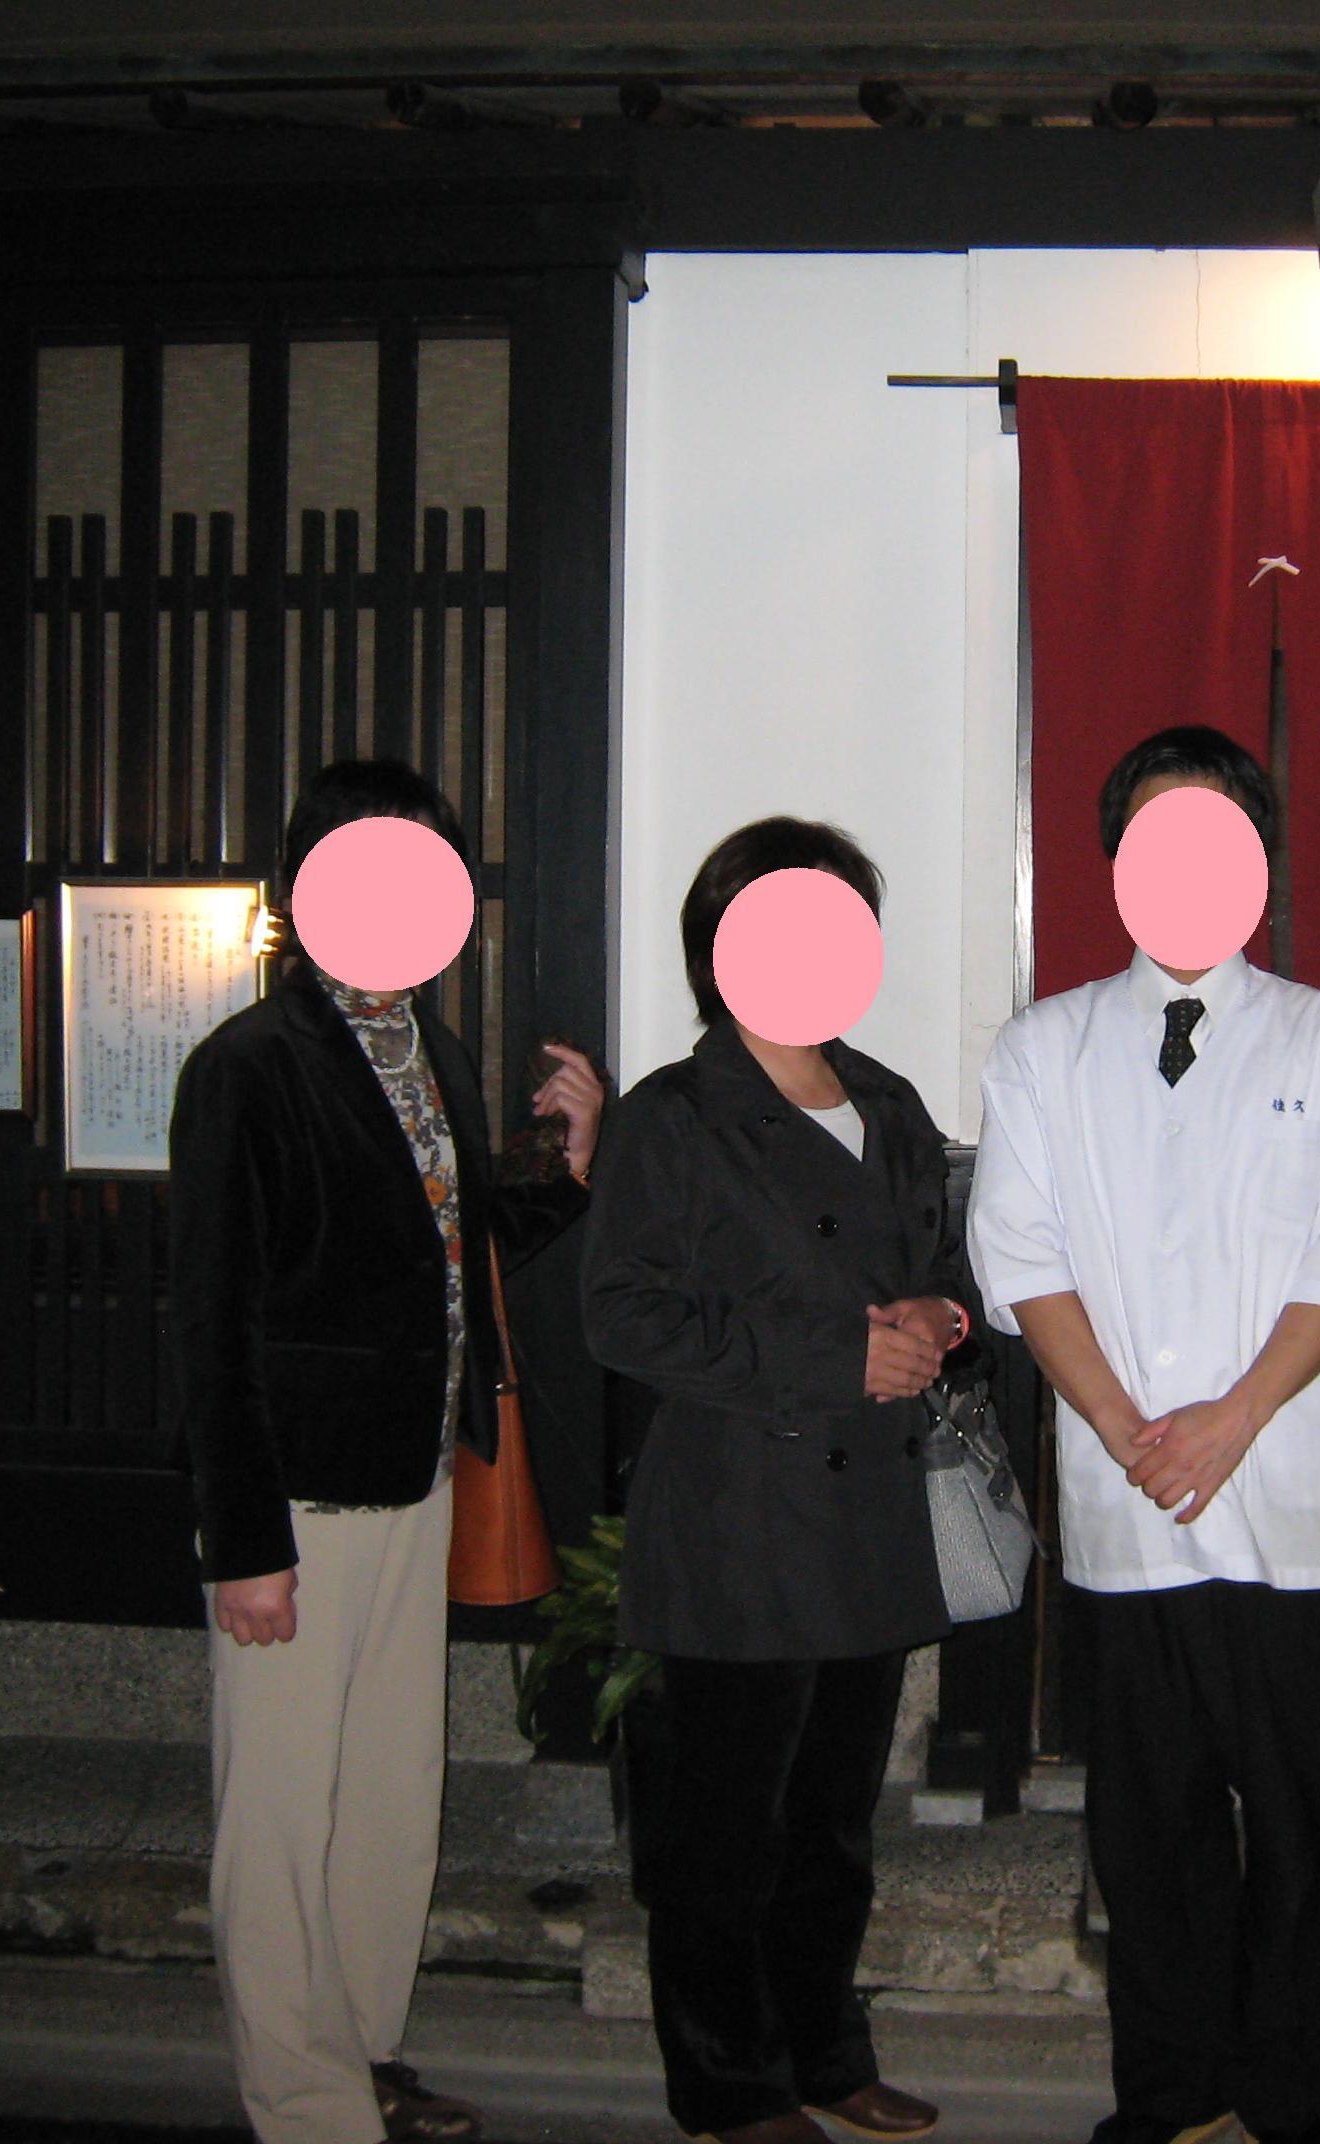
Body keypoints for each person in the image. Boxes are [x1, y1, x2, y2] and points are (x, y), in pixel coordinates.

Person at [969, 726, 1320, 2144]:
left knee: (1293, 1820)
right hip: (1128, 1503)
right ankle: (1169, 2095)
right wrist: (1126, 1427)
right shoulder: (1043, 1047)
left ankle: (1288, 2092)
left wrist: (1230, 1421)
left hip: (1290, 1504)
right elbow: (1020, 1251)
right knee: (1148, 1830)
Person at [171, 758, 606, 2144]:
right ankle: (303, 2101)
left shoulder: (433, 1051)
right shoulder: (246, 1067)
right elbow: (212, 1328)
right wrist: (244, 1545)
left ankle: (363, 2052)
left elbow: (455, 1247)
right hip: (296, 1502)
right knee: (280, 1813)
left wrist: (569, 1166)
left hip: (416, 1480)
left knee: (389, 1795)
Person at [581, 817, 978, 2144]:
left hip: (868, 1519)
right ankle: (730, 2087)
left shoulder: (890, 1101)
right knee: (724, 1834)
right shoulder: (674, 1116)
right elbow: (621, 1315)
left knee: (835, 1823)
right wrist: (835, 1356)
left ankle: (825, 2053)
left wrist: (938, 1321)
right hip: (738, 1522)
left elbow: (947, 1272)